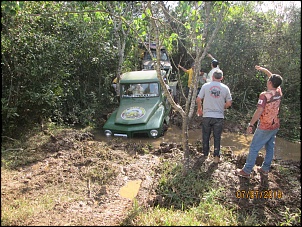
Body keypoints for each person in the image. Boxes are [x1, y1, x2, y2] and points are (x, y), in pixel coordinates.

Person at [236, 66, 283, 178]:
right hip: (275, 125)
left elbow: (259, 111)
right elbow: (273, 78)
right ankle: (265, 168)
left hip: (265, 125)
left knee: (254, 147)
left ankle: (247, 171)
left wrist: (251, 124)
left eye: (269, 80)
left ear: (270, 83)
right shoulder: (278, 92)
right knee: (270, 147)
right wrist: (264, 70)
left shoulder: (264, 95)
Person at [196, 69, 232, 163]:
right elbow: (229, 103)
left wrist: (199, 109)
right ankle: (216, 157)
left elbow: (198, 99)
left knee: (205, 136)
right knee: (217, 137)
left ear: (212, 77)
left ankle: (205, 155)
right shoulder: (225, 88)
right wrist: (222, 107)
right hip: (219, 117)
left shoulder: (206, 86)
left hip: (207, 115)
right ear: (222, 78)